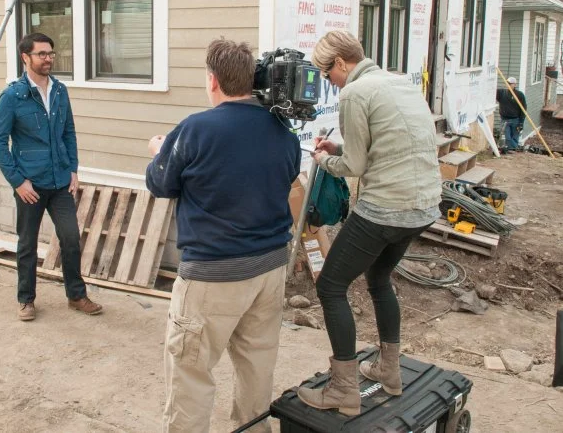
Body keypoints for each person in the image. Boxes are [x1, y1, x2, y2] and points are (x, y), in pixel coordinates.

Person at [146, 38, 302, 433]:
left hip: (212, 276)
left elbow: (161, 184)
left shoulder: (195, 129)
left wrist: (160, 151)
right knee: (257, 366)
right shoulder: (284, 133)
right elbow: (285, 179)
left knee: (191, 372)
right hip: (269, 270)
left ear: (213, 80)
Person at [296, 31, 441, 416]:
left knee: (330, 286)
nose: (329, 82)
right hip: (423, 206)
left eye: (327, 73)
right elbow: (387, 144)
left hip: (387, 207)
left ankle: (344, 391)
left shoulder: (354, 93)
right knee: (378, 279)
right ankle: (389, 371)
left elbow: (355, 166)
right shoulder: (399, 82)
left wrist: (324, 159)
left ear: (340, 63)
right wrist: (339, 148)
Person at [0, 32, 101, 321]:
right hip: (30, 185)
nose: (48, 58)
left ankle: (76, 296)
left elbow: (69, 132)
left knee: (71, 238)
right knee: (27, 244)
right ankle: (26, 300)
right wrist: (18, 181)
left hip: (60, 180)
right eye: (41, 54)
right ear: (25, 57)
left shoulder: (60, 91)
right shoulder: (12, 96)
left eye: (50, 53)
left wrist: (73, 169)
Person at [496, 77, 526, 151]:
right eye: (507, 83)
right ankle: (515, 149)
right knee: (508, 138)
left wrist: (521, 122)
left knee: (515, 137)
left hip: (516, 120)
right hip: (504, 120)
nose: (508, 85)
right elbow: (492, 91)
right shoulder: (501, 93)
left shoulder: (519, 95)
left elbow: (523, 109)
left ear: (514, 84)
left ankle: (513, 151)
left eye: (510, 83)